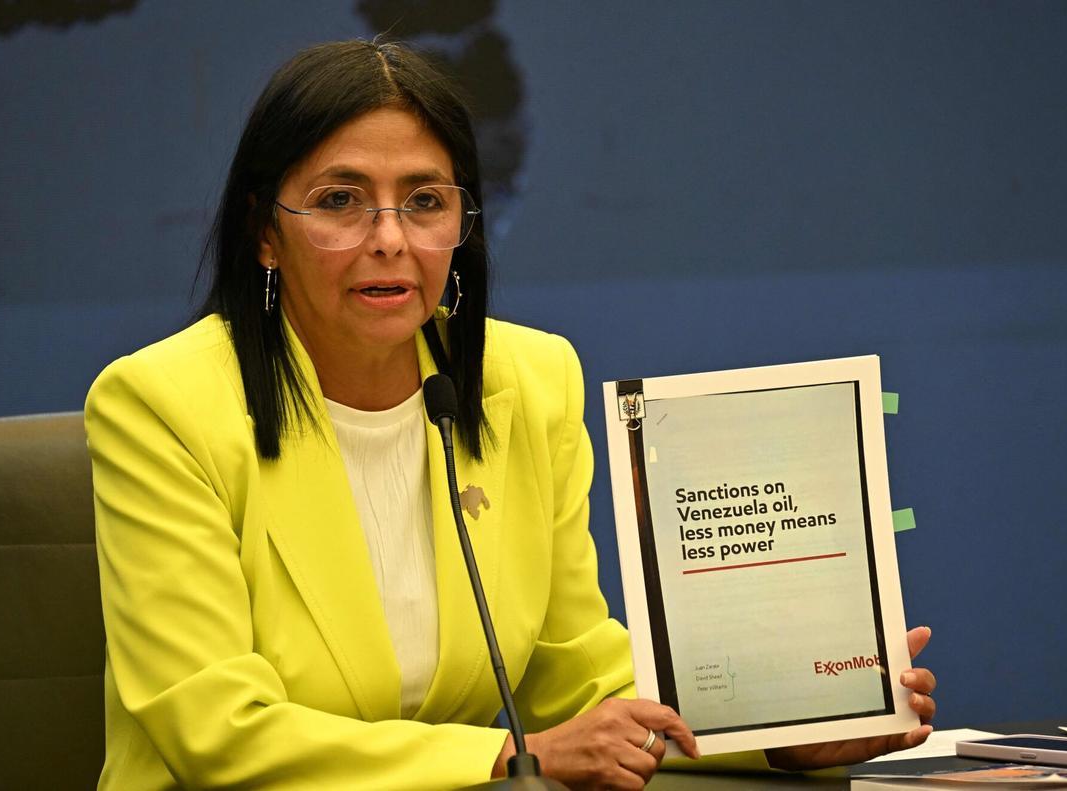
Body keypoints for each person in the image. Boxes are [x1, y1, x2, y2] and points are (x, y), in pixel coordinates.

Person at [84, 38, 936, 791]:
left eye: (425, 201)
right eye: (341, 200)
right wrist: (507, 756)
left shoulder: (526, 381)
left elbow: (576, 678)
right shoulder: (163, 404)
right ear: (264, 231)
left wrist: (786, 729)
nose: (390, 238)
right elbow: (218, 731)